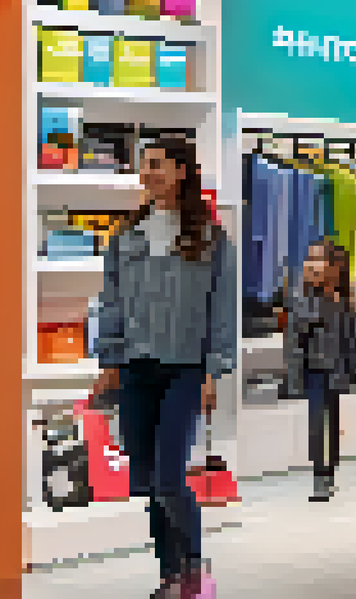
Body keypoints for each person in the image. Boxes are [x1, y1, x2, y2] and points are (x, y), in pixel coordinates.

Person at [91, 135, 237, 599]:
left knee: (170, 478)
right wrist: (109, 361)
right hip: (136, 369)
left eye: (156, 164)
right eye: (144, 165)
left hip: (184, 369)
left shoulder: (212, 239)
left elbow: (222, 311)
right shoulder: (125, 236)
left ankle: (194, 567)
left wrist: (215, 370)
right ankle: (168, 576)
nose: (148, 173)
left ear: (181, 171)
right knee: (147, 481)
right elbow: (109, 301)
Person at [284, 237, 356, 502]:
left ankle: (329, 471)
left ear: (334, 266)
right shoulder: (302, 297)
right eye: (309, 258)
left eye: (317, 259)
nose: (311, 264)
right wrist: (293, 377)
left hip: (336, 368)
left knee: (331, 421)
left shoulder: (346, 299)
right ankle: (319, 476)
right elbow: (294, 339)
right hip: (313, 369)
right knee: (316, 422)